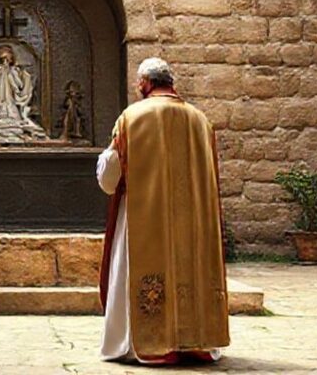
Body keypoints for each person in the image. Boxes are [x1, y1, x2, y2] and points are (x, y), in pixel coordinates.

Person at [96, 57, 229, 364]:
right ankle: (197, 341)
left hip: (145, 219)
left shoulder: (133, 117)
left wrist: (103, 166)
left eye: (137, 82)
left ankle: (151, 344)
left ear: (145, 83)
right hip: (195, 220)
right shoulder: (199, 120)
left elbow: (110, 174)